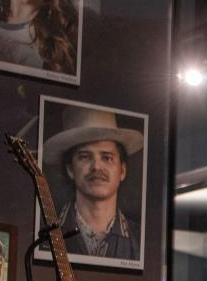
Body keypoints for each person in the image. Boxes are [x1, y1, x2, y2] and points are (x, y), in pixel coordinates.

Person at [42, 106, 143, 261]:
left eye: (107, 157)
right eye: (84, 157)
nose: (96, 166)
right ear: (70, 170)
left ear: (122, 171)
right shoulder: (44, 238)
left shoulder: (140, 241)